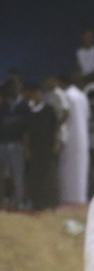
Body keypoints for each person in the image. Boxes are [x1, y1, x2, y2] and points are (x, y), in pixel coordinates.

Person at [21, 82, 59, 210]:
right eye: (34, 93)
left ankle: (49, 202)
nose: (37, 95)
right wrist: (26, 148)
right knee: (34, 175)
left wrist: (56, 143)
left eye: (39, 93)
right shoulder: (29, 111)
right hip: (34, 148)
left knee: (48, 175)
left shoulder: (49, 110)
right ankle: (36, 202)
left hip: (47, 147)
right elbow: (26, 132)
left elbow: (55, 128)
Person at [58, 73, 90, 205]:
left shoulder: (66, 96)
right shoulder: (82, 96)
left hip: (70, 135)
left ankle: (69, 196)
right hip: (82, 135)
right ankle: (79, 196)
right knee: (80, 168)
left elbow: (65, 116)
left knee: (68, 168)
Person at [0, 81, 25, 209]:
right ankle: (2, 201)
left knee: (17, 175)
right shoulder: (3, 106)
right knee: (1, 175)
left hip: (17, 144)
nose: (11, 91)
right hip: (2, 143)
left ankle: (18, 201)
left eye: (14, 88)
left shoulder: (24, 106)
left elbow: (26, 127)